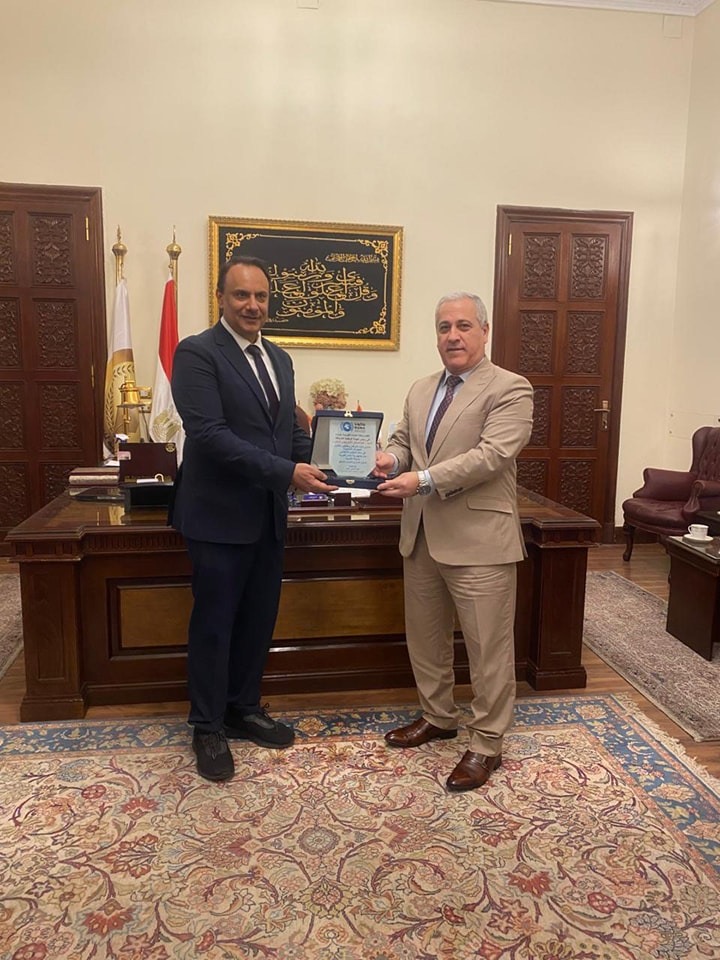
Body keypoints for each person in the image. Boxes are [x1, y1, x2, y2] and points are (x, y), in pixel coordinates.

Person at [170, 255, 335, 781]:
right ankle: (207, 725)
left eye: (261, 296)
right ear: (221, 297)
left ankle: (242, 708)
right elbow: (210, 435)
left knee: (259, 618)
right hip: (217, 518)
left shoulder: (279, 358)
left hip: (267, 515)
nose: (252, 305)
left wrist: (331, 461)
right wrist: (288, 472)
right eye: (241, 295)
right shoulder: (197, 353)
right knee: (215, 623)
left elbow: (287, 433)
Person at [375, 291, 533, 791]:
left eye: (464, 326)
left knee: (488, 649)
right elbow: (404, 441)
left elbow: (492, 455)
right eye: (444, 327)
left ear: (484, 331)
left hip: (479, 539)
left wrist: (421, 480)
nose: (453, 336)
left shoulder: (510, 388)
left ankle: (487, 742)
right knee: (425, 639)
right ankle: (438, 716)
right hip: (421, 534)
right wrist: (390, 460)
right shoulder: (421, 389)